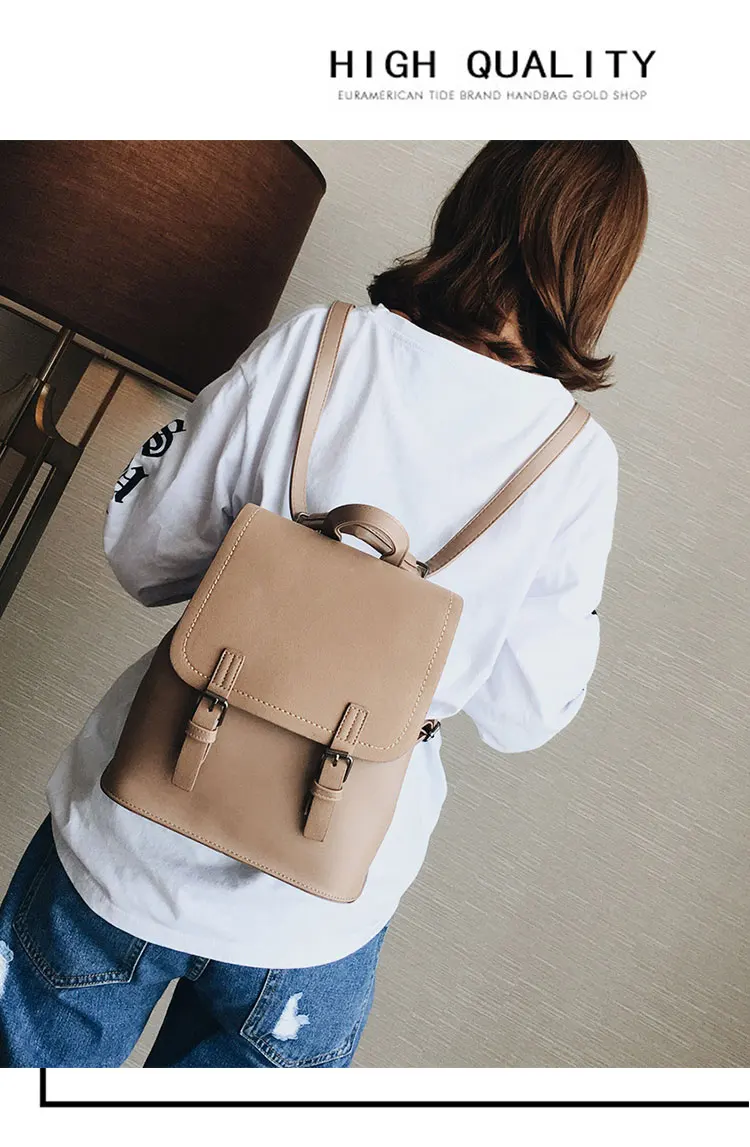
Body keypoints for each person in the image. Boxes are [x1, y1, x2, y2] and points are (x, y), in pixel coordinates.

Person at [0, 140, 648, 1068]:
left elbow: (145, 556)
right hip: (317, 907)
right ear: (603, 269)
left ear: (471, 203)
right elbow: (526, 716)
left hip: (131, 843)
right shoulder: (574, 459)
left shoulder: (320, 342)